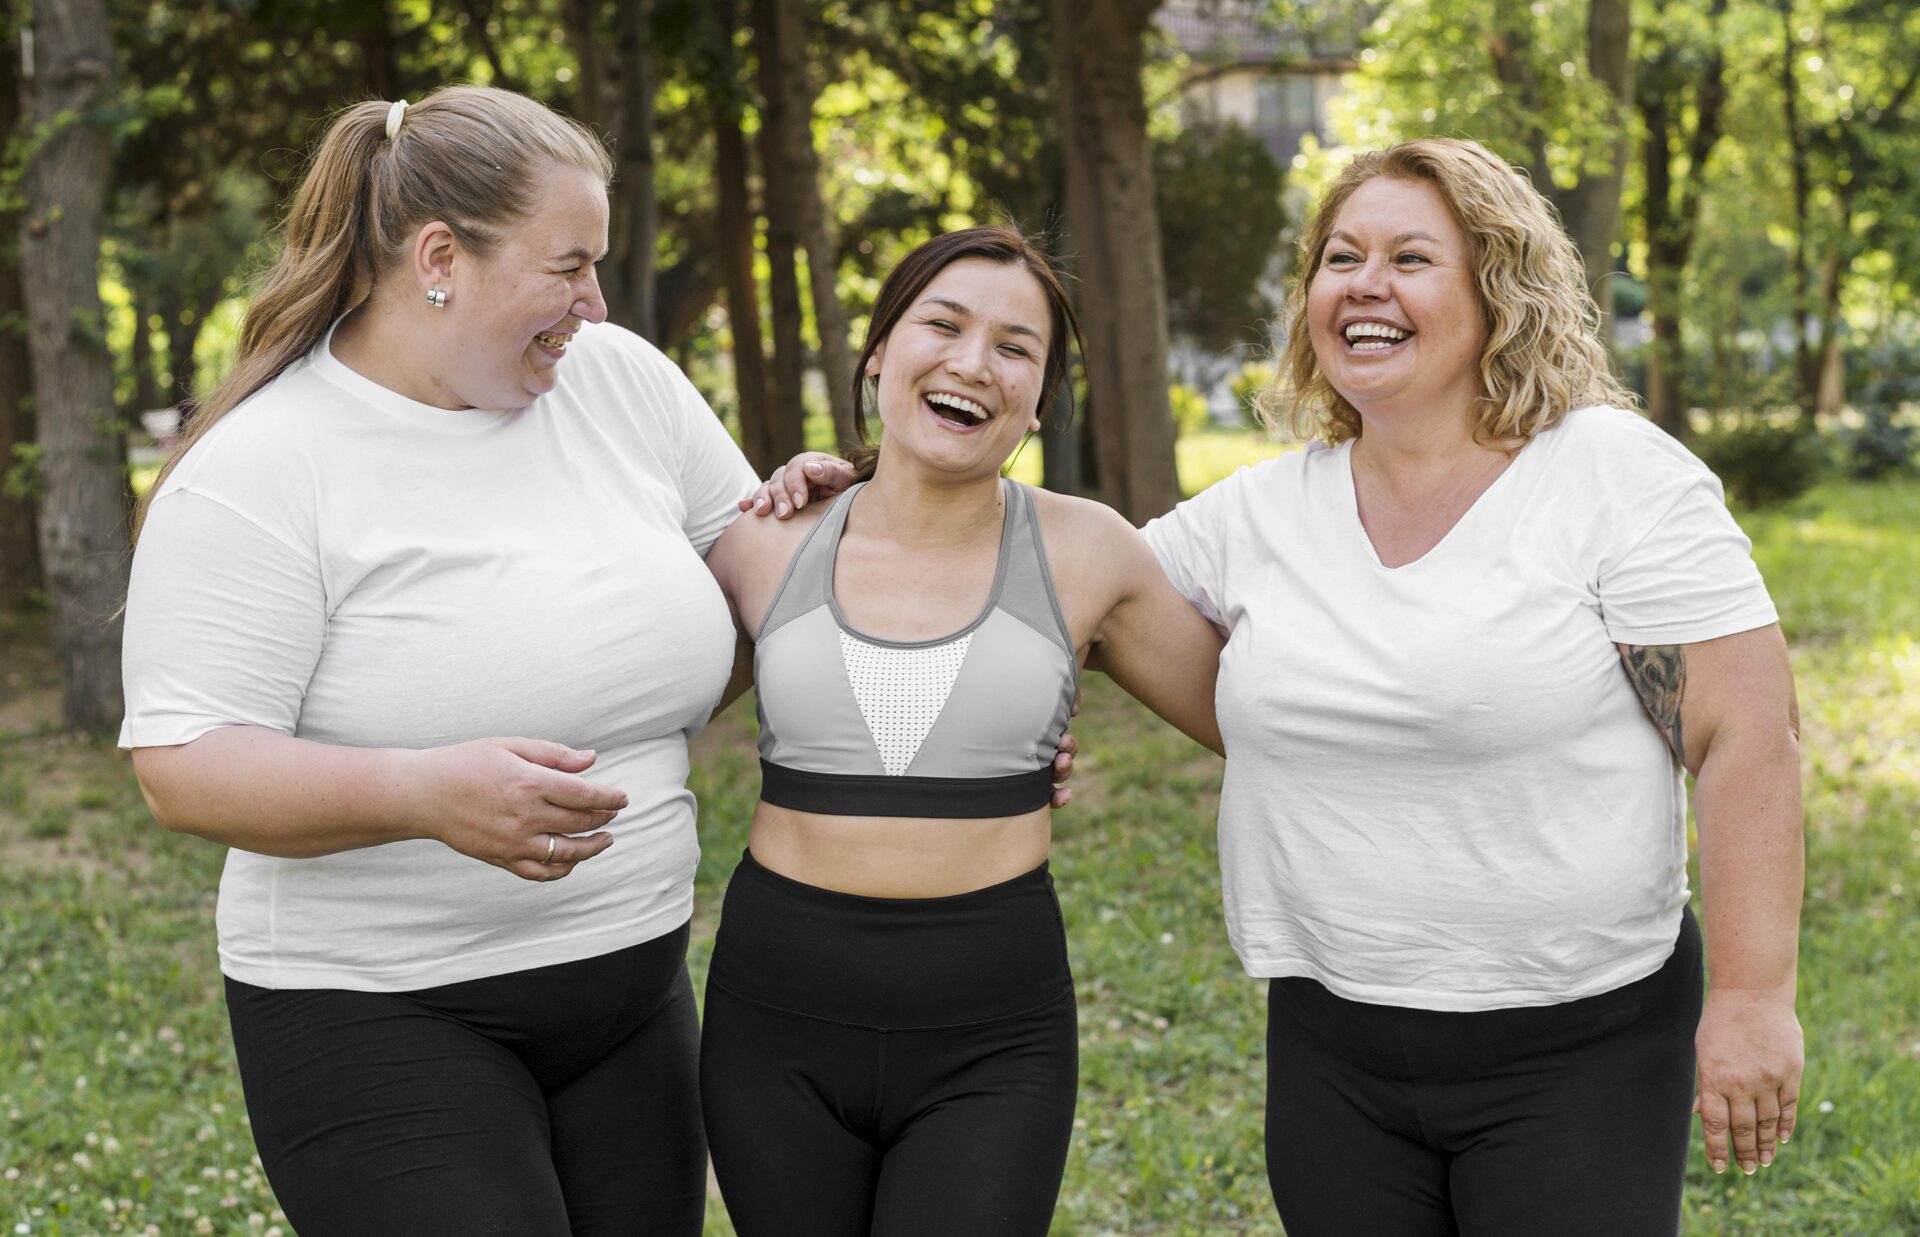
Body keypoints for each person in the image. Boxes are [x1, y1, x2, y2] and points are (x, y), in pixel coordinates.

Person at [749, 139, 1805, 1234]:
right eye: (1340, 257)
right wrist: (865, 494)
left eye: (1410, 257)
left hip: (1583, 1035)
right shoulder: (1255, 516)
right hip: (1333, 1041)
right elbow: (1045, 595)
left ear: (1500, 288)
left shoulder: (1612, 477)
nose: (1365, 284)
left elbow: (1746, 736)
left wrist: (1752, 995)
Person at [119, 86, 759, 1236]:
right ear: (438, 258)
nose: (595, 303)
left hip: (632, 988)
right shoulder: (264, 466)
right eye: (568, 266)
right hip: (375, 1016)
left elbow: (766, 574)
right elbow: (184, 763)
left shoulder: (620, 383)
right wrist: (420, 792)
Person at [698, 226, 1224, 1236]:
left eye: (1015, 347)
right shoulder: (764, 541)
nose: (973, 363)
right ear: (877, 353)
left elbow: (1263, 720)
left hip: (994, 1030)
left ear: (1038, 397)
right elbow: (628, 711)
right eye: (941, 325)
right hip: (775, 1022)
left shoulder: (1089, 553)